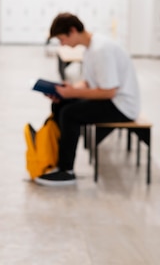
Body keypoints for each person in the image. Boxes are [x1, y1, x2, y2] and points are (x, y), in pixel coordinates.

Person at [35, 12, 141, 186]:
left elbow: (108, 92)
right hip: (111, 100)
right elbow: (89, 82)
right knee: (61, 105)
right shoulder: (90, 48)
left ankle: (66, 171)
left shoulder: (101, 50)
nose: (63, 44)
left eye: (62, 39)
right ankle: (59, 161)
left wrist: (72, 93)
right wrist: (65, 90)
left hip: (122, 106)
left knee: (70, 113)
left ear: (73, 30)